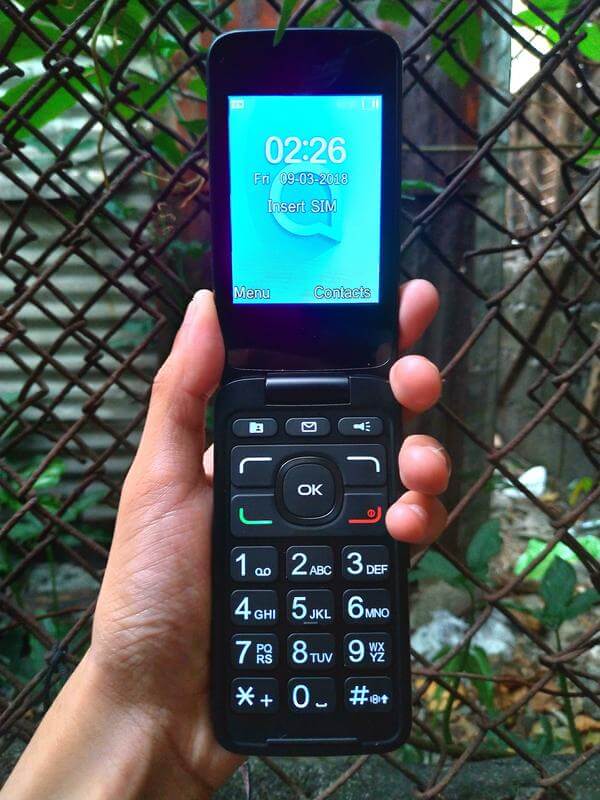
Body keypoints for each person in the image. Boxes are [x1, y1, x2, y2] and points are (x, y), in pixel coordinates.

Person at [2, 282, 450, 799]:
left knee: (404, 482)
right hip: (304, 411)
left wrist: (132, 716)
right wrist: (132, 706)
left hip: (297, 405)